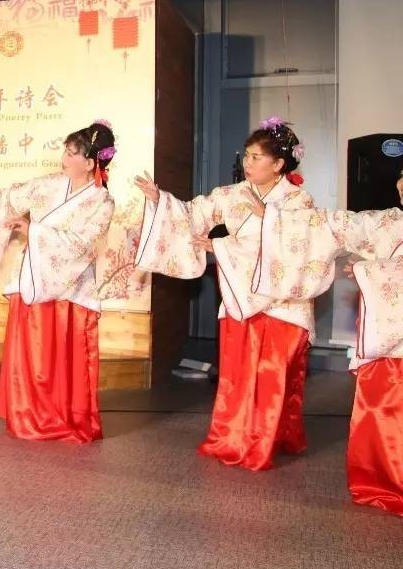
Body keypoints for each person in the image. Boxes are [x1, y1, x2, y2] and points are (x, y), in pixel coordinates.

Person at [134, 116, 314, 470]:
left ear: (279, 164)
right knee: (238, 373)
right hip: (239, 297)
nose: (248, 163)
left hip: (281, 303)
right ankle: (233, 437)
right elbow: (190, 214)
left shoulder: (298, 201)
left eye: (257, 157)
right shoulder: (231, 195)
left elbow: (298, 248)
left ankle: (264, 441)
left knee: (273, 376)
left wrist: (226, 244)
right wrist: (161, 200)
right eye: (246, 155)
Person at [0, 120, 117, 443]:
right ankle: (26, 414)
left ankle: (59, 416)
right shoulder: (49, 184)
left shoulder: (102, 203)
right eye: (65, 150)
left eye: (71, 153)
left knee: (59, 360)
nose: (63, 158)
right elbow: (5, 199)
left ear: (90, 163)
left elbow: (83, 244)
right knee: (30, 355)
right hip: (32, 278)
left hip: (69, 290)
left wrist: (34, 230)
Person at [253, 170, 403, 515]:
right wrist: (278, 221)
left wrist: (370, 270)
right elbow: (330, 225)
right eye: (401, 184)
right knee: (381, 407)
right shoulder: (387, 222)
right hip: (385, 336)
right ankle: (384, 478)